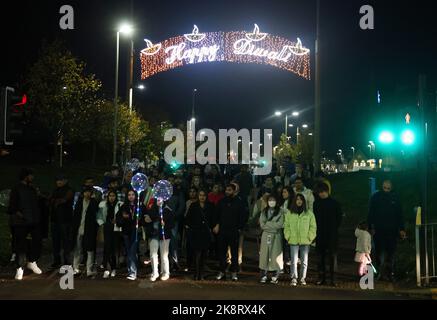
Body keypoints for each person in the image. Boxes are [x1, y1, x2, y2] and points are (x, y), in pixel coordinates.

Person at [8, 168, 43, 280]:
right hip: (21, 222)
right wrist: (21, 215)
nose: (33, 177)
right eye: (31, 176)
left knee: (37, 241)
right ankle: (20, 268)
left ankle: (32, 261)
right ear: (25, 176)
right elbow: (13, 206)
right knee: (21, 245)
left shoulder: (32, 189)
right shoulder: (16, 189)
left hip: (33, 220)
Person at [368, 180, 406, 282]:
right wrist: (370, 227)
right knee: (380, 253)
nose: (386, 190)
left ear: (391, 188)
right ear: (382, 187)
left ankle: (390, 273)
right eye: (385, 188)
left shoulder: (395, 198)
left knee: (390, 253)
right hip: (380, 229)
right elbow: (371, 212)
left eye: (388, 188)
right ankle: (381, 273)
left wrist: (401, 228)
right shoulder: (376, 197)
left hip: (391, 230)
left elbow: (399, 215)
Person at [214, 184, 246, 281]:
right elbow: (217, 214)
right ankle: (222, 271)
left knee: (234, 253)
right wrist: (217, 224)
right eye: (226, 190)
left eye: (230, 190)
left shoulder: (239, 202)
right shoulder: (222, 201)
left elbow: (243, 216)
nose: (227, 192)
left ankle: (234, 272)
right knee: (222, 252)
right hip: (223, 230)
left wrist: (240, 227)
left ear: (234, 191)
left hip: (234, 231)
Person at [284, 194, 317, 286]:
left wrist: (310, 237)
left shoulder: (309, 213)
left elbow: (313, 227)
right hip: (293, 240)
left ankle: (302, 278)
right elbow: (286, 226)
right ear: (294, 201)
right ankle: (294, 278)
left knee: (304, 261)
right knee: (293, 261)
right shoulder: (289, 213)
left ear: (304, 201)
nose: (299, 201)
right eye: (297, 199)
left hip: (305, 241)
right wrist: (288, 236)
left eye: (301, 199)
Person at [313, 182, 343, 286]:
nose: (321, 194)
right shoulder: (316, 203)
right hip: (320, 234)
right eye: (319, 192)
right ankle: (321, 277)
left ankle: (333, 279)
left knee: (332, 257)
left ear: (327, 191)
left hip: (332, 234)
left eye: (322, 192)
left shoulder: (335, 203)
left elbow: (339, 218)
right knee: (320, 258)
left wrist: (334, 228)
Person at [185, 190, 216, 280]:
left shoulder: (210, 206)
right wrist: (190, 229)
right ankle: (197, 273)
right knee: (197, 253)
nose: (202, 197)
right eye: (200, 195)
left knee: (203, 254)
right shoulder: (193, 205)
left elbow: (213, 219)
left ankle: (201, 273)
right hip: (196, 232)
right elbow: (188, 219)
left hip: (206, 233)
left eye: (204, 195)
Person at [144, 197, 175, 281]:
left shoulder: (168, 210)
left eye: (161, 199)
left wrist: (165, 224)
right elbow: (149, 218)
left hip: (165, 235)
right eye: (157, 199)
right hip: (154, 234)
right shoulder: (152, 208)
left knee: (164, 255)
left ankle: (165, 272)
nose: (159, 201)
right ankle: (155, 272)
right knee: (153, 254)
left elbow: (172, 225)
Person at [116, 189, 144, 280]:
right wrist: (124, 218)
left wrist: (141, 220)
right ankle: (130, 271)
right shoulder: (124, 206)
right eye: (129, 195)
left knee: (132, 252)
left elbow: (144, 217)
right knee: (129, 252)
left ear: (135, 195)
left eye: (132, 194)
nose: (131, 196)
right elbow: (118, 218)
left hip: (136, 232)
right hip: (126, 232)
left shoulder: (140, 205)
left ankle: (133, 272)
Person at [72, 186, 99, 276]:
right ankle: (75, 268)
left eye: (89, 192)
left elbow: (95, 214)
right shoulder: (79, 202)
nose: (87, 194)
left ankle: (89, 270)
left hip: (89, 229)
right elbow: (75, 215)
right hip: (79, 228)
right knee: (77, 249)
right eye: (85, 192)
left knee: (90, 249)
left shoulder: (94, 202)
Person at [258, 195, 285, 284]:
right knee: (264, 255)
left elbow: (280, 224)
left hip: (276, 236)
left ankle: (275, 275)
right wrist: (273, 225)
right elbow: (262, 225)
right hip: (265, 235)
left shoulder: (281, 211)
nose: (271, 201)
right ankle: (263, 275)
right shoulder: (264, 211)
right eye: (270, 200)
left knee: (275, 255)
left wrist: (268, 224)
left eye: (273, 199)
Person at [50, 174, 74, 269]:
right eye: (57, 180)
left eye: (61, 180)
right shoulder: (55, 190)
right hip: (55, 219)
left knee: (65, 241)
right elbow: (51, 200)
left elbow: (64, 200)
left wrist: (55, 201)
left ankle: (66, 260)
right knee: (55, 241)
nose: (59, 182)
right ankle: (56, 260)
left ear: (66, 180)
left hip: (65, 220)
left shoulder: (69, 190)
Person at [97, 190, 124, 278]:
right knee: (107, 247)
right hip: (107, 226)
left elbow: (122, 215)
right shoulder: (103, 204)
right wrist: (102, 224)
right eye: (110, 196)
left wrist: (119, 221)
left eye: (113, 196)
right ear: (107, 197)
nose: (112, 197)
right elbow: (99, 216)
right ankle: (107, 268)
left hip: (116, 228)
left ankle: (113, 268)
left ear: (116, 197)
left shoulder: (120, 204)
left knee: (114, 248)